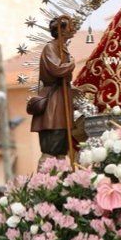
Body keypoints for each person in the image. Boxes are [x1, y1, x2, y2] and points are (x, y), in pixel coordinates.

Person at [28, 15, 76, 163]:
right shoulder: (50, 47)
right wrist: (71, 64)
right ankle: (43, 183)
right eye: (70, 26)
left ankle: (62, 182)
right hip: (54, 102)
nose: (73, 29)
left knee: (61, 149)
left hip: (62, 98)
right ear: (61, 30)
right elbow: (56, 69)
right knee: (51, 147)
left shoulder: (63, 48)